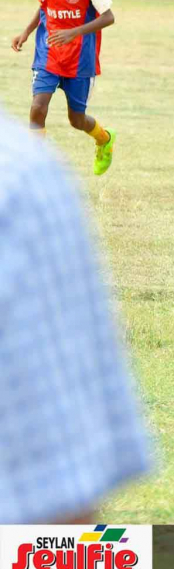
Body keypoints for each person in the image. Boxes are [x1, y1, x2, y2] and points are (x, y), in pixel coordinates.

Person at [0, 109, 153, 523]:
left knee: (73, 116)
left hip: (74, 71)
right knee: (40, 109)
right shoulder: (24, 176)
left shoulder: (20, 181)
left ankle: (104, 137)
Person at [10, 0, 116, 175]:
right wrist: (27, 31)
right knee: (38, 107)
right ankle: (35, 166)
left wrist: (73, 32)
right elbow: (45, 6)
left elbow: (109, 17)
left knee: (76, 120)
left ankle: (104, 139)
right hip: (48, 56)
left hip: (80, 60)